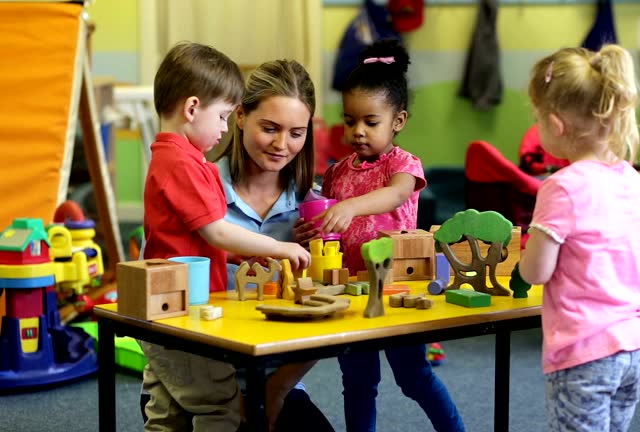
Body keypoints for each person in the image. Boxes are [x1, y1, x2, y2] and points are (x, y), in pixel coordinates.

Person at [140, 42, 311, 432]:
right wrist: (279, 246)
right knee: (219, 407)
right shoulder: (181, 162)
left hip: (177, 306)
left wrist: (234, 258)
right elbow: (216, 230)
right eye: (221, 117)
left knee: (169, 413)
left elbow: (196, 238)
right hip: (182, 312)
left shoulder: (182, 159)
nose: (223, 128)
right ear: (192, 108)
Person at [319, 38, 465, 432]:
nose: (358, 131)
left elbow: (396, 194)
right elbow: (326, 221)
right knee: (358, 383)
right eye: (350, 121)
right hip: (351, 292)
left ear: (397, 121)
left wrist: (350, 206)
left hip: (399, 290)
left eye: (371, 122)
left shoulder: (403, 164)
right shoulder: (336, 172)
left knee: (414, 377)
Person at [517, 44, 640, 432]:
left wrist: (522, 255)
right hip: (635, 346)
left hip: (585, 351)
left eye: (537, 118)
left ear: (556, 124)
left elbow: (536, 272)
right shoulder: (632, 179)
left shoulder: (561, 188)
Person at [207, 59, 334, 432]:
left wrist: (278, 388)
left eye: (297, 132)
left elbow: (330, 312)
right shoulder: (199, 190)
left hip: (279, 378)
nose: (282, 145)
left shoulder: (314, 209)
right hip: (201, 383)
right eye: (270, 128)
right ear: (241, 116)